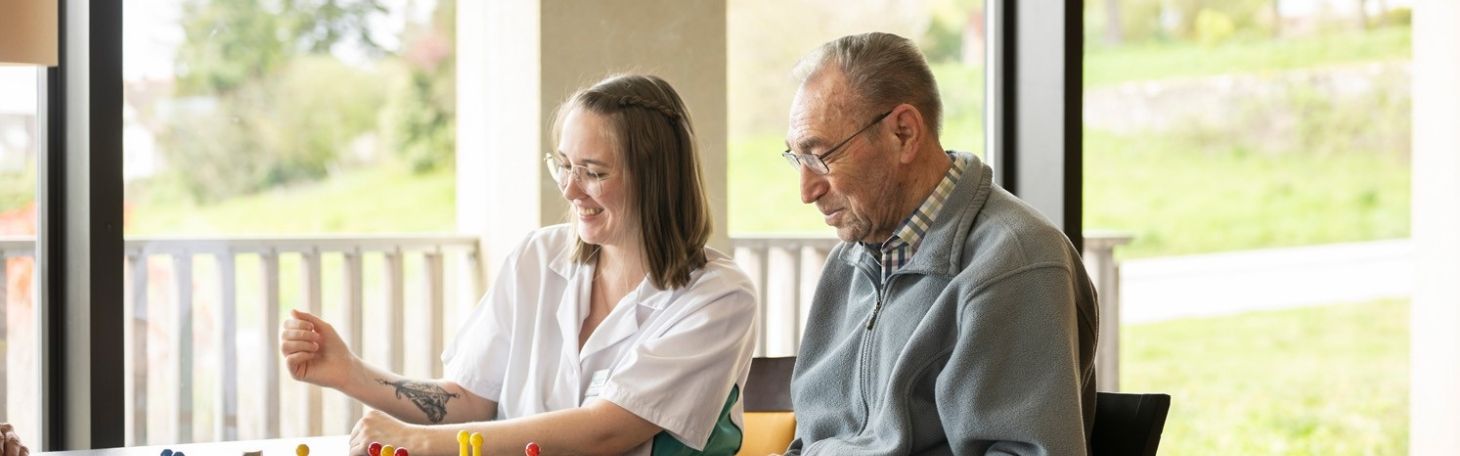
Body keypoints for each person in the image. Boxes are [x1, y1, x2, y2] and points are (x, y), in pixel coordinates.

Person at [281, 74, 758, 455]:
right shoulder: (538, 256)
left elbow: (605, 432)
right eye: (564, 166)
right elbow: (468, 399)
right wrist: (349, 372)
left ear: (657, 178)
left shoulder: (719, 297)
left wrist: (424, 443)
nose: (570, 191)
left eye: (593, 173)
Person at [779, 32, 1099, 455]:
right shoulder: (849, 262)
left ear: (904, 133)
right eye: (797, 159)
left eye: (821, 156)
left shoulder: (1015, 262)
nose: (807, 190)